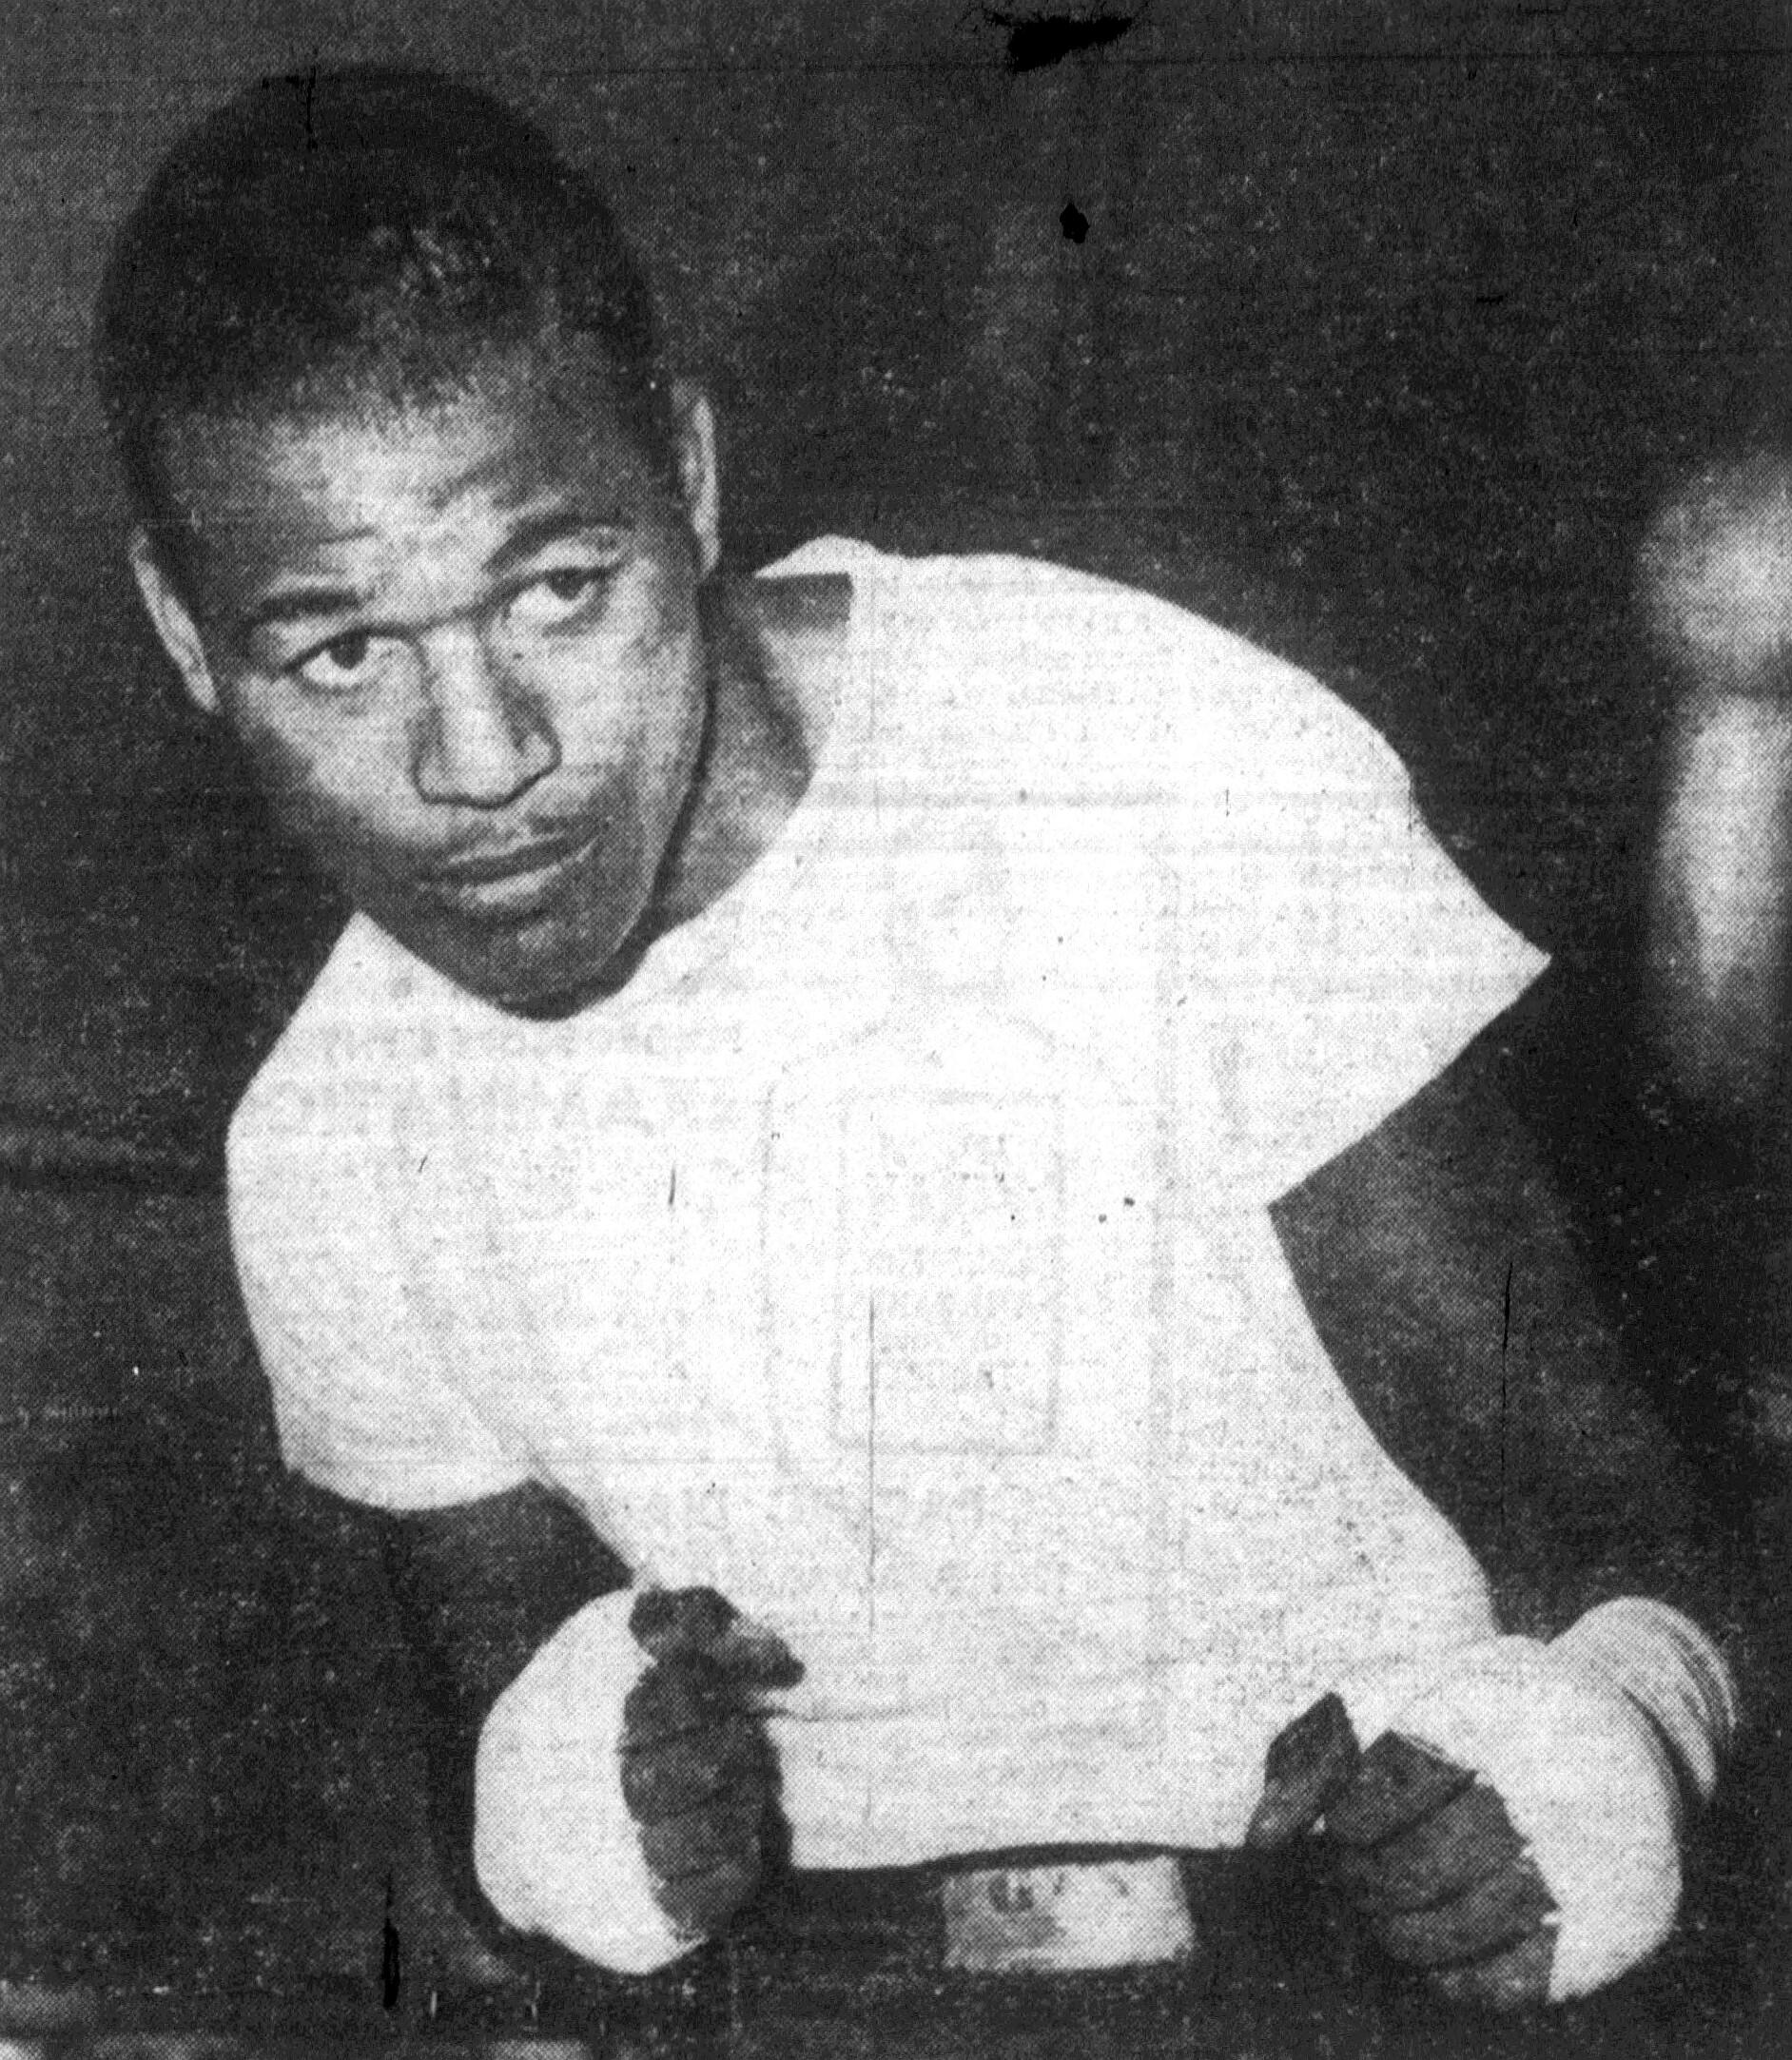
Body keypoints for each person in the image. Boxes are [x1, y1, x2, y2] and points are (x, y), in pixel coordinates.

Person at [95, 65, 1739, 2012]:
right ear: (192, 639)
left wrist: (1603, 1753)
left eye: (556, 589)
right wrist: (576, 1817)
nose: (487, 762)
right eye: (342, 650)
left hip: (1375, 1972)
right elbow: (515, 1790)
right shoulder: (331, 1142)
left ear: (688, 482)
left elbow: (1647, 1554)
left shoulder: (1148, 760)